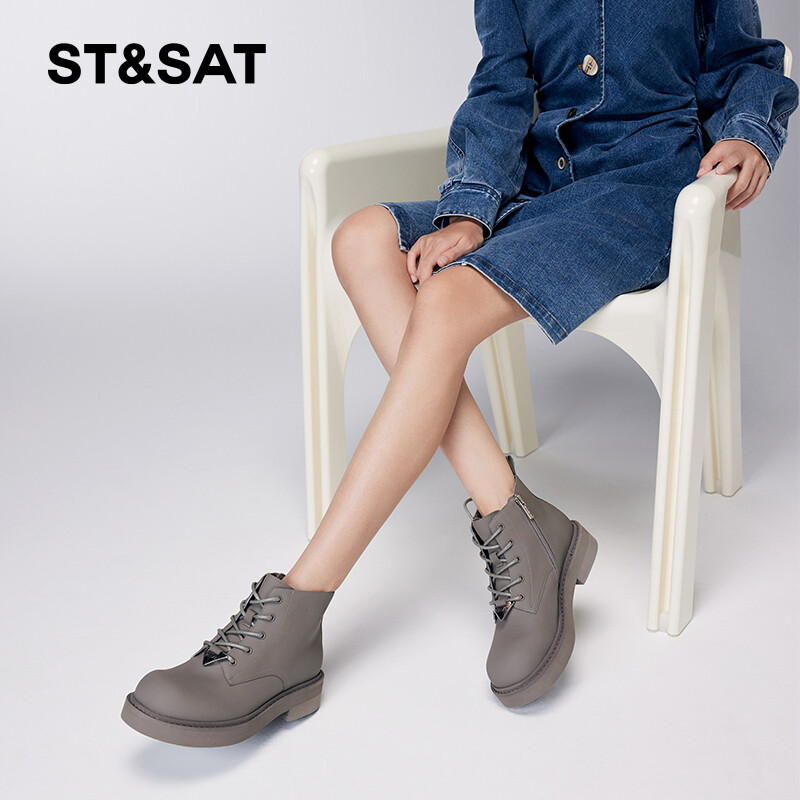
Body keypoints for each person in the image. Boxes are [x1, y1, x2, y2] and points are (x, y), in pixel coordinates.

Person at [121, 0, 798, 747]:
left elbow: (747, 60)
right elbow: (501, 86)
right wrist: (470, 211)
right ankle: (518, 516)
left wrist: (748, 133)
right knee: (360, 239)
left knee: (443, 299)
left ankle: (296, 614)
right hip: (537, 186)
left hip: (641, 191)